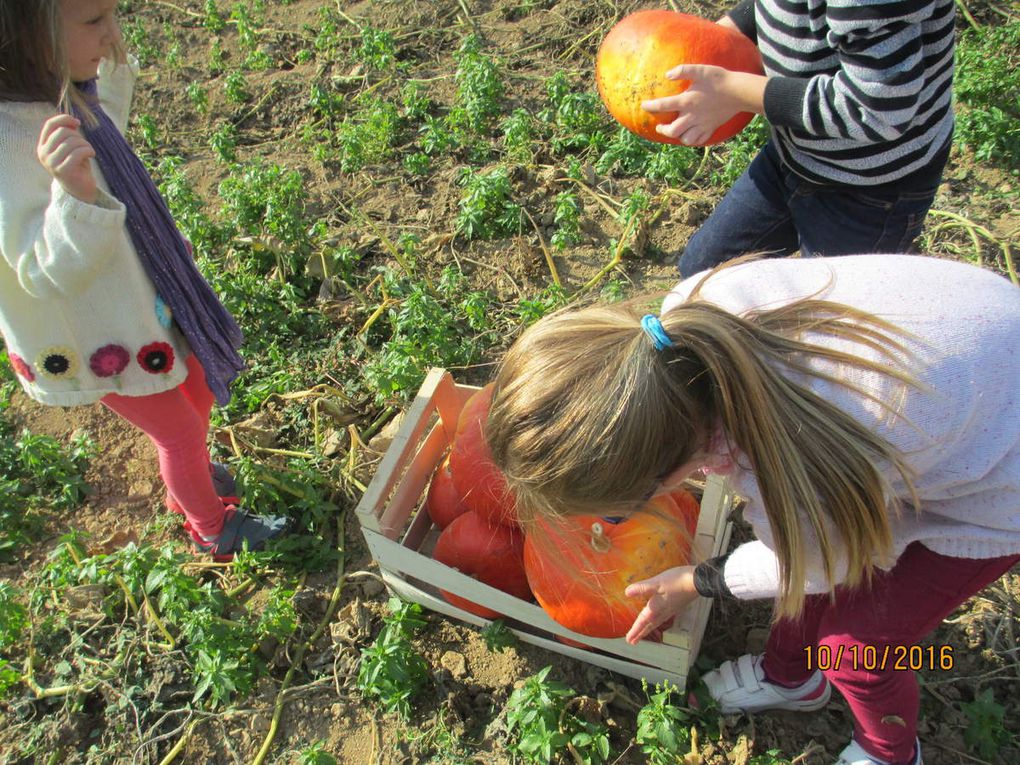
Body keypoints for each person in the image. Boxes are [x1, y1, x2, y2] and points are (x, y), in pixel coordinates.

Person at [485, 254, 1020, 765]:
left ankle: (890, 749)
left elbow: (809, 565)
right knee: (815, 568)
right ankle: (792, 676)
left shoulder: (797, 457)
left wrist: (697, 580)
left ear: (668, 471)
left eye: (620, 513)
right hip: (968, 363)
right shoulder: (682, 328)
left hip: (1000, 485)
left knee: (852, 649)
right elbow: (810, 554)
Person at [0, 0, 288, 560]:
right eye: (94, 22)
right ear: (25, 33)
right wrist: (73, 196)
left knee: (197, 383)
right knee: (176, 429)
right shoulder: (10, 144)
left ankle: (191, 475)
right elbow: (40, 272)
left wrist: (113, 73)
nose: (113, 34)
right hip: (98, 334)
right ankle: (210, 526)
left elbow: (105, 136)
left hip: (145, 297)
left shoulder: (62, 89)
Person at [640, 0, 955, 278]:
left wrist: (734, 93)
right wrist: (721, 37)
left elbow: (879, 109)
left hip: (871, 191)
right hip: (793, 154)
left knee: (831, 323)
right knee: (704, 274)